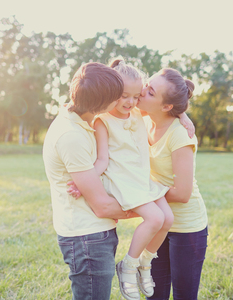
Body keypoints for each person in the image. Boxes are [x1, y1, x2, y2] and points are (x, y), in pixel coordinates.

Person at [67, 59, 194, 300]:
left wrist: (183, 116)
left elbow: (169, 103)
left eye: (136, 96)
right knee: (155, 217)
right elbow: (102, 160)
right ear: (112, 93)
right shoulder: (104, 121)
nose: (131, 102)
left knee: (167, 218)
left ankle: (145, 264)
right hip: (123, 182)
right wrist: (83, 182)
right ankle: (128, 266)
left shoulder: (136, 111)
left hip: (141, 180)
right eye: (124, 96)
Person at [42, 62, 130, 300]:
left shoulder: (85, 119)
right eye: (118, 97)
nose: (123, 102)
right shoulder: (71, 135)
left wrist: (182, 114)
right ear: (101, 104)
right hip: (86, 237)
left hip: (96, 233)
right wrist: (150, 212)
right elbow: (101, 206)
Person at [137, 68, 208, 300]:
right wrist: (182, 113)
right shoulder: (142, 121)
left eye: (150, 92)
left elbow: (183, 193)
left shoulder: (180, 135)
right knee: (154, 294)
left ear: (167, 106)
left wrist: (141, 192)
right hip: (158, 221)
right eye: (146, 85)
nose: (142, 92)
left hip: (186, 228)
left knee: (183, 296)